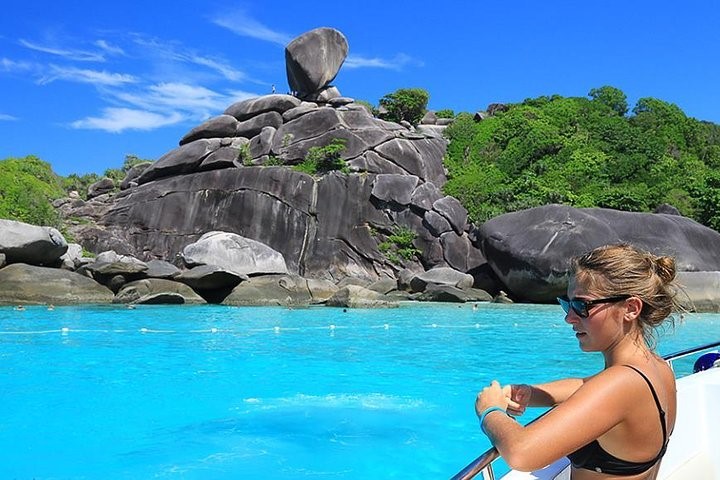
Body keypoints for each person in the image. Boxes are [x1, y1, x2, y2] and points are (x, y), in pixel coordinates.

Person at [475, 244, 679, 479]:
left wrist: (489, 410)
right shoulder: (656, 367)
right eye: (567, 304)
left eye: (582, 306)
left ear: (631, 308)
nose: (569, 318)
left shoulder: (621, 383)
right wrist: (532, 393)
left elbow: (522, 453)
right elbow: (587, 386)